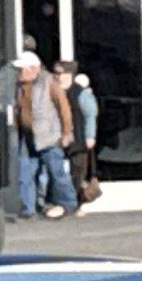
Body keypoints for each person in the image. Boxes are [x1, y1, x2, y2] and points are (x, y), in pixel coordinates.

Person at [9, 49, 74, 220]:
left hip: (49, 137)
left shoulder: (49, 82)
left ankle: (68, 204)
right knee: (25, 174)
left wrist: (67, 132)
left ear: (32, 69)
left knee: (57, 173)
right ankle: (28, 209)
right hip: (28, 136)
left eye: (21, 69)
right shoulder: (19, 86)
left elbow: (64, 107)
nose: (18, 73)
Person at [57, 58, 103, 205]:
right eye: (56, 74)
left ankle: (75, 203)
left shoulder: (80, 93)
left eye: (61, 73)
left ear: (69, 74)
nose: (57, 77)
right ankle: (64, 202)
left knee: (78, 172)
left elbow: (90, 115)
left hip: (78, 141)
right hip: (57, 140)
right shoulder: (54, 92)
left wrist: (90, 136)